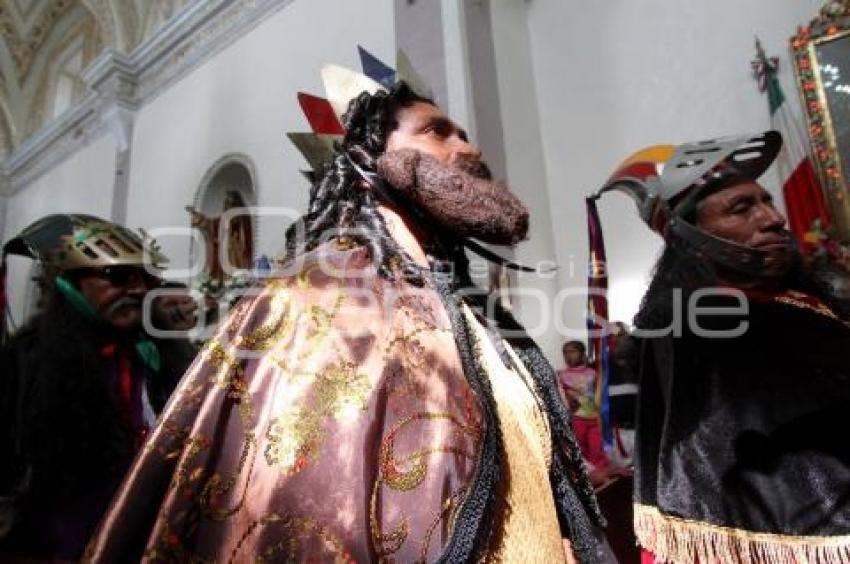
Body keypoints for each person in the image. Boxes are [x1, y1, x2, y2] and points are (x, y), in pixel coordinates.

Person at [84, 64, 604, 562]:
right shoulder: (311, 297)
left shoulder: (480, 314)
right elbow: (291, 513)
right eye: (437, 131)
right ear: (366, 157)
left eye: (462, 133)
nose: (469, 148)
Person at [595, 131, 850, 563]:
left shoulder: (801, 303)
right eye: (741, 208)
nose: (773, 219)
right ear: (690, 233)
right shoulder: (696, 320)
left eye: (767, 201)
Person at [0, 214, 198, 561]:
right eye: (117, 277)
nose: (136, 290)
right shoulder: (28, 359)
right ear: (70, 284)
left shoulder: (158, 354)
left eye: (143, 278)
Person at [558, 340, 610, 475]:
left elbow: (601, 395)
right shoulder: (561, 375)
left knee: (597, 449)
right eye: (566, 352)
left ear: (582, 353)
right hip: (576, 419)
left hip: (594, 418)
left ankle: (603, 479)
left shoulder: (593, 373)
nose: (569, 355)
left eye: (573, 351)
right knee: (581, 450)